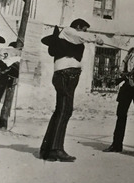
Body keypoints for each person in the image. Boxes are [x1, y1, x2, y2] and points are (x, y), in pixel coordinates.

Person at [39, 18, 102, 162]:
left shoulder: (71, 37)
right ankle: (56, 149)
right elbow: (82, 36)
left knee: (61, 110)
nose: (85, 32)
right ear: (78, 26)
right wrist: (96, 38)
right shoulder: (68, 31)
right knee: (65, 110)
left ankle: (48, 150)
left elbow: (81, 38)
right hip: (65, 75)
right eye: (84, 29)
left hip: (69, 75)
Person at [103, 27, 134, 153]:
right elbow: (123, 65)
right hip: (127, 86)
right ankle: (116, 144)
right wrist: (123, 75)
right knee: (121, 114)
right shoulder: (131, 51)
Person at [0, 41, 22, 130]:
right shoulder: (16, 54)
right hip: (10, 76)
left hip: (2, 75)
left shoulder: (4, 51)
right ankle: (3, 124)